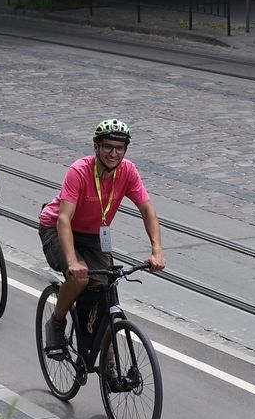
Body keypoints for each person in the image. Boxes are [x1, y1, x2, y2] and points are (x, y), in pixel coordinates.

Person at [39, 119, 165, 351]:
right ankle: (57, 321)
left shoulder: (128, 171)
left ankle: (99, 346)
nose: (113, 153)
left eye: (119, 148)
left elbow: (147, 209)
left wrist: (157, 250)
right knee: (80, 277)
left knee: (105, 285)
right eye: (107, 146)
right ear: (96, 147)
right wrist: (72, 261)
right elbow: (64, 219)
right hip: (56, 228)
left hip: (93, 233)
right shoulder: (79, 170)